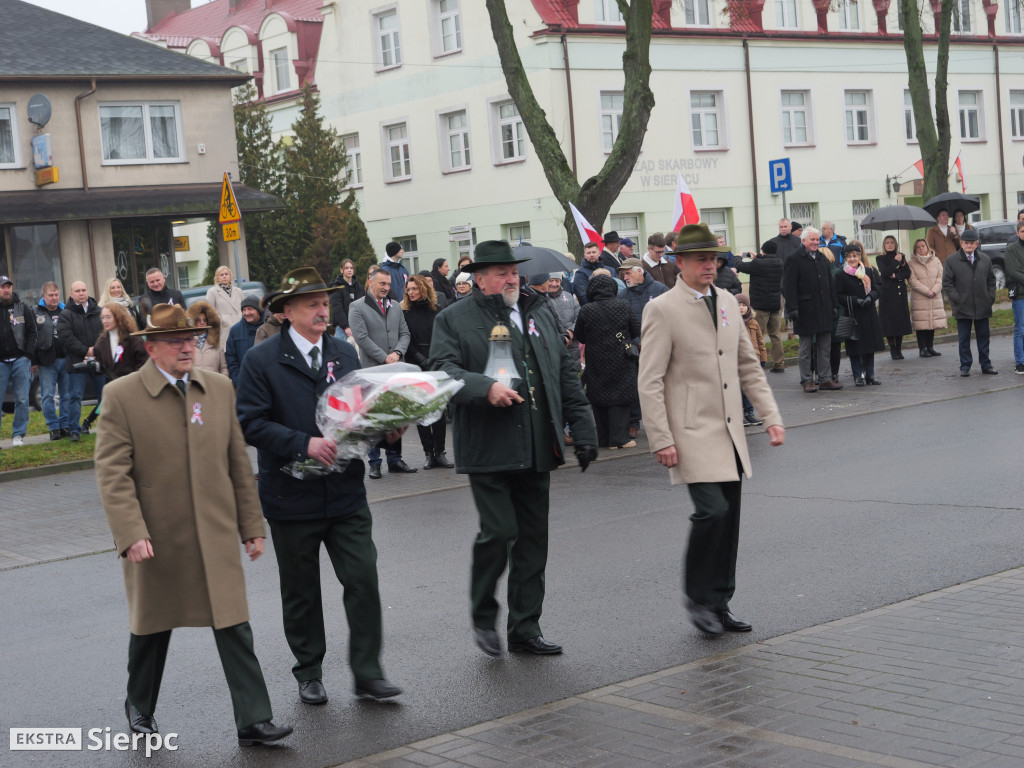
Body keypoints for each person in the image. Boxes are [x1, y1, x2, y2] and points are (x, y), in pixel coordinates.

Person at [94, 304, 291, 747]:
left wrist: (251, 525)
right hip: (156, 536)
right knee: (152, 626)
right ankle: (139, 705)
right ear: (151, 348)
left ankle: (254, 719)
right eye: (176, 341)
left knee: (233, 623)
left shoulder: (218, 388)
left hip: (215, 532)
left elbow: (237, 462)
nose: (188, 348)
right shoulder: (121, 396)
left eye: (192, 339)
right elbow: (112, 474)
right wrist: (131, 533)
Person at [236, 267, 402, 706]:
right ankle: (309, 670)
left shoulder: (344, 353)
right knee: (301, 592)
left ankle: (368, 672)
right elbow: (250, 423)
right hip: (291, 497)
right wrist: (302, 443)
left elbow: (359, 414)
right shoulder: (261, 359)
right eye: (312, 304)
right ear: (287, 312)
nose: (322, 310)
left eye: (325, 303)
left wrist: (387, 430)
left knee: (362, 578)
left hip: (345, 493)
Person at [429, 240, 598, 657]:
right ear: (479, 278)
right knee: (500, 531)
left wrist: (584, 428)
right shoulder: (453, 318)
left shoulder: (538, 310)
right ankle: (483, 614)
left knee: (533, 540)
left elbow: (564, 371)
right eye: (502, 273)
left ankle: (525, 628)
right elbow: (442, 370)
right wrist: (484, 388)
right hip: (488, 445)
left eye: (514, 272)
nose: (512, 279)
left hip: (538, 442)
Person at [637, 223, 785, 636]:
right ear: (680, 262)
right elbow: (649, 380)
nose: (710, 265)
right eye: (701, 259)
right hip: (690, 431)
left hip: (729, 431)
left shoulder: (726, 301)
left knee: (729, 519)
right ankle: (698, 597)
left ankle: (720, 603)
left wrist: (770, 416)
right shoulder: (662, 308)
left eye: (714, 259)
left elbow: (747, 365)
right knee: (711, 511)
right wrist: (661, 438)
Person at [348, 269, 416, 478]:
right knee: (374, 416)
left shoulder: (395, 306)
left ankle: (395, 459)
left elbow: (405, 333)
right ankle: (375, 462)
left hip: (395, 369)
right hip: (373, 370)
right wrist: (385, 357)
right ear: (370, 283)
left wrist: (397, 353)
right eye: (382, 284)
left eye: (388, 284)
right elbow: (361, 338)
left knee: (395, 415)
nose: (387, 287)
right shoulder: (357, 307)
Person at [574, 274, 640, 450]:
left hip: (596, 360)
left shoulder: (586, 310)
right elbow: (636, 330)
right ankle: (619, 439)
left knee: (599, 397)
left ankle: (603, 438)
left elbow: (579, 335)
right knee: (620, 397)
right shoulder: (623, 305)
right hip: (621, 359)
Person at [401, 274, 453, 469]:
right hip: (415, 364)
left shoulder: (437, 311)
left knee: (439, 410)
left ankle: (440, 452)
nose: (411, 292)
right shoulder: (405, 313)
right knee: (422, 411)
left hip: (436, 362)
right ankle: (428, 453)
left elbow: (444, 337)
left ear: (423, 288)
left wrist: (435, 359)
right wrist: (421, 360)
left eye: (415, 288)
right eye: (408, 289)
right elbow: (406, 341)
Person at [783, 227, 842, 393]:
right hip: (805, 310)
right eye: (812, 240)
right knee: (806, 348)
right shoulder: (794, 259)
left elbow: (830, 284)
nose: (816, 242)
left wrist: (834, 305)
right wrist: (792, 308)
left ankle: (825, 379)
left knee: (825, 347)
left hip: (824, 309)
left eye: (817, 240)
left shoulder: (822, 258)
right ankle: (807, 380)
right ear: (804, 241)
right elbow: (788, 286)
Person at [942, 228, 997, 376]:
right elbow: (947, 283)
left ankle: (986, 365)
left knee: (984, 337)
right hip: (963, 306)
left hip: (982, 305)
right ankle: (965, 366)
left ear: (977, 244)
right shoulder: (952, 261)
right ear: (961, 243)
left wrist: (990, 297)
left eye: (972, 243)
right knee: (964, 339)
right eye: (966, 243)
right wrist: (957, 299)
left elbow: (991, 280)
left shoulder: (985, 259)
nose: (969, 245)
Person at [57, 280, 105, 441]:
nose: (81, 293)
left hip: (98, 360)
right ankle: (74, 430)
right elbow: (66, 338)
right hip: (76, 362)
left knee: (105, 396)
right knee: (75, 396)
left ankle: (107, 426)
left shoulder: (99, 311)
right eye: (77, 291)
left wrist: (96, 351)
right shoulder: (65, 314)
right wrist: (86, 351)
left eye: (84, 290)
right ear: (71, 294)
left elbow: (105, 333)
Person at [835, 243, 884, 386]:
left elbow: (876, 289)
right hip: (852, 314)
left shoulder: (867, 271)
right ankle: (857, 375)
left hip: (868, 313)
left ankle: (870, 374)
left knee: (869, 346)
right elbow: (838, 296)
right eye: (849, 256)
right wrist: (855, 300)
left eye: (855, 256)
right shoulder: (841, 274)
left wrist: (870, 298)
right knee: (854, 347)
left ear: (859, 257)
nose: (852, 259)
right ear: (845, 258)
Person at [734, 241, 785, 373]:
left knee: (756, 335)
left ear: (764, 251)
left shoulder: (758, 264)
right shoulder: (779, 262)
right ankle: (779, 364)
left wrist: (738, 257)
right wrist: (758, 257)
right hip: (775, 304)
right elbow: (767, 261)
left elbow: (740, 266)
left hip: (760, 306)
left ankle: (756, 364)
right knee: (775, 335)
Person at [0, 275, 36, 447]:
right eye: (2, 287)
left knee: (22, 399)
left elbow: (32, 332)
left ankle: (18, 435)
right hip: (1, 362)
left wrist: (28, 355)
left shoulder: (22, 308)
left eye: (8, 286)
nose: (6, 290)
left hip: (20, 360)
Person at [33, 281, 71, 440]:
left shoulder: (66, 311)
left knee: (66, 395)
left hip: (66, 359)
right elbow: (31, 338)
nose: (54, 298)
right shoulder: (35, 312)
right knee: (47, 396)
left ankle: (65, 425)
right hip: (46, 361)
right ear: (43, 296)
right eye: (51, 295)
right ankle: (53, 427)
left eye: (56, 295)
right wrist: (33, 361)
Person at [875, 235, 913, 360]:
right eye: (887, 242)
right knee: (889, 322)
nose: (890, 244)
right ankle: (892, 349)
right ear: (884, 245)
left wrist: (897, 275)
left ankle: (899, 349)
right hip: (887, 293)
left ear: (895, 244)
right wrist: (896, 262)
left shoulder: (901, 256)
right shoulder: (880, 258)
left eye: (892, 242)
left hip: (900, 293)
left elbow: (907, 273)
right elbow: (885, 272)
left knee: (899, 321)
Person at [908, 238, 946, 358]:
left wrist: (934, 290)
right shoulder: (911, 263)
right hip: (920, 297)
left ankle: (930, 347)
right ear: (915, 249)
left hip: (934, 296)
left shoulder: (936, 261)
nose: (921, 248)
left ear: (927, 247)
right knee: (921, 324)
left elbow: (941, 277)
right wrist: (927, 291)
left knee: (931, 323)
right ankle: (922, 349)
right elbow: (912, 281)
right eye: (918, 247)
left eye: (923, 246)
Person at [94, 304, 147, 379]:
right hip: (112, 384)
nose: (104, 321)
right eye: (102, 318)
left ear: (118, 317)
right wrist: (94, 364)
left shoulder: (133, 338)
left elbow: (144, 363)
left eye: (108, 317)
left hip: (133, 382)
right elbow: (100, 367)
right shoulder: (101, 341)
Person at [736, 294, 765, 426]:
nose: (741, 308)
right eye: (738, 305)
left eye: (744, 305)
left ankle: (749, 413)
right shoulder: (731, 322)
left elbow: (760, 342)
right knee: (738, 389)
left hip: (753, 360)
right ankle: (738, 414)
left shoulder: (754, 323)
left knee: (749, 389)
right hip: (737, 361)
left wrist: (763, 359)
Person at [619, 258, 669, 328]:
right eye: (624, 274)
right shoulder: (622, 295)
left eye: (628, 273)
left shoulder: (660, 289)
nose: (625, 278)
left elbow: (670, 315)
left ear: (639, 271)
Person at [225, 296, 263, 386]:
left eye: (250, 309)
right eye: (244, 310)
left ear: (258, 310)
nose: (246, 313)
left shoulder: (267, 327)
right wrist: (238, 381)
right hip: (245, 383)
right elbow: (231, 359)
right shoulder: (235, 330)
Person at [204, 266, 244, 347]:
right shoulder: (212, 292)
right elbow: (209, 312)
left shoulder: (238, 291)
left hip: (240, 327)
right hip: (224, 330)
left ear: (230, 276)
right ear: (217, 278)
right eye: (221, 275)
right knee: (227, 351)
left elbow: (244, 308)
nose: (224, 276)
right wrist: (222, 320)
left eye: (226, 274)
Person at [186, 301, 230, 375]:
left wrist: (223, 380)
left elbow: (224, 368)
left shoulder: (216, 344)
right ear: (193, 321)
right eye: (198, 320)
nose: (202, 322)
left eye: (205, 320)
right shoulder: (187, 344)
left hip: (214, 382)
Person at [1004, 220, 1024, 373]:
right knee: (1020, 330)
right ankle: (1020, 362)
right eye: (1022, 231)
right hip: (1020, 296)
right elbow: (1013, 271)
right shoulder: (1011, 248)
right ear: (1017, 233)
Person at [329, 259, 365, 338]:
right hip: (342, 329)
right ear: (341, 270)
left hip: (358, 328)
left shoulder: (359, 288)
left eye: (351, 268)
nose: (349, 270)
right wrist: (346, 327)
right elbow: (337, 308)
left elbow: (363, 307)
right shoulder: (336, 287)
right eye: (346, 268)